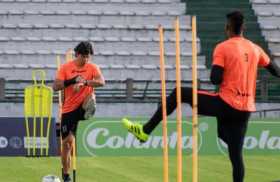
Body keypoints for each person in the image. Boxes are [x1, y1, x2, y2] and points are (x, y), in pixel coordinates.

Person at [122, 11, 280, 182]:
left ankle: (145, 131)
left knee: (179, 92)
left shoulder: (223, 47)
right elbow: (275, 70)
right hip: (246, 109)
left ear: (227, 28)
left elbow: (215, 79)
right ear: (244, 28)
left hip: (226, 103)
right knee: (236, 156)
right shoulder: (256, 48)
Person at [53, 41, 105, 182]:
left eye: (89, 57)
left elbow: (101, 82)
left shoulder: (92, 67)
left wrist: (85, 83)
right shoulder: (65, 68)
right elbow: (55, 86)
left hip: (82, 105)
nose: (87, 60)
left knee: (91, 96)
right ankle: (65, 174)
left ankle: (89, 109)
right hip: (69, 109)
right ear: (78, 55)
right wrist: (72, 81)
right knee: (67, 143)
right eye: (85, 57)